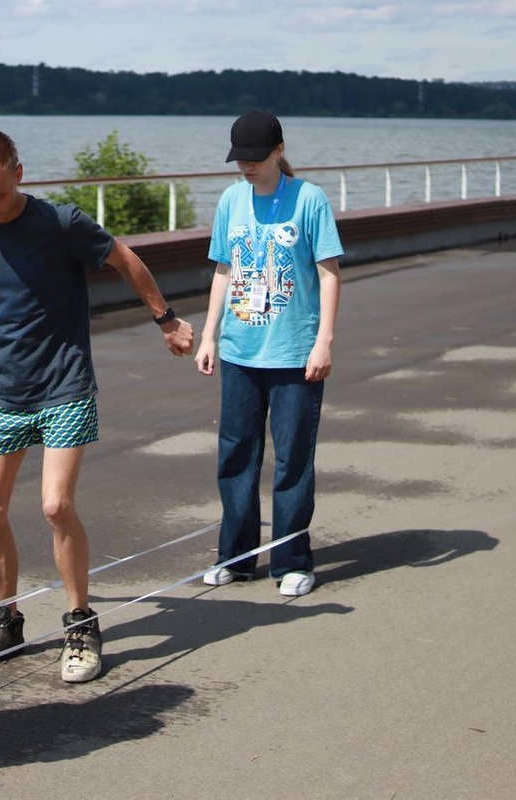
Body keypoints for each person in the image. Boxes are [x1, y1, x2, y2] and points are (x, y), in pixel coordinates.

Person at [0, 127, 195, 683]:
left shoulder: (60, 222)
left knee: (56, 506)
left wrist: (166, 319)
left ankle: (81, 622)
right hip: (2, 391)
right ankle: (3, 619)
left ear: (17, 172)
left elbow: (125, 259)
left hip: (64, 384)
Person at [195, 110, 343, 597]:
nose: (247, 167)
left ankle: (293, 561)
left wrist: (323, 341)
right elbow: (223, 270)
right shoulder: (231, 201)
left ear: (279, 150)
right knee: (236, 456)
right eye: (240, 159)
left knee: (293, 458)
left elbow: (328, 274)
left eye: (256, 158)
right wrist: (210, 335)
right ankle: (236, 559)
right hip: (240, 351)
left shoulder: (309, 199)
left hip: (295, 353)